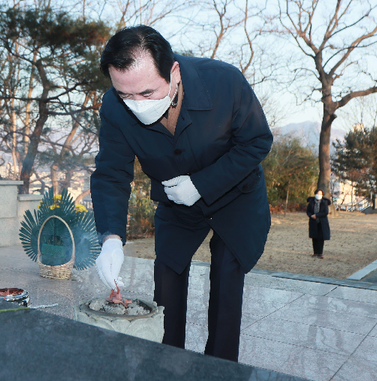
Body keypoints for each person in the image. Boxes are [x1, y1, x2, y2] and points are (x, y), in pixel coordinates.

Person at [90, 25, 273, 362]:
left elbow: (257, 141)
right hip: (176, 201)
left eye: (146, 93)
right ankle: (166, 364)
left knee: (226, 277)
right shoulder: (114, 109)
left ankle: (219, 368)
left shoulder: (224, 82)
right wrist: (111, 238)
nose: (135, 105)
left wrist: (201, 185)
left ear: (173, 72)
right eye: (124, 94)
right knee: (168, 279)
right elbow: (111, 173)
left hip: (236, 195)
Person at [306, 189, 331, 258]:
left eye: (320, 194)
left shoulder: (324, 203)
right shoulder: (311, 202)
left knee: (321, 238)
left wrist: (317, 215)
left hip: (322, 222)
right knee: (314, 237)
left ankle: (320, 253)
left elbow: (325, 212)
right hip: (313, 222)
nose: (319, 195)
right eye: (318, 193)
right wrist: (311, 215)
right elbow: (308, 211)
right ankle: (315, 252)